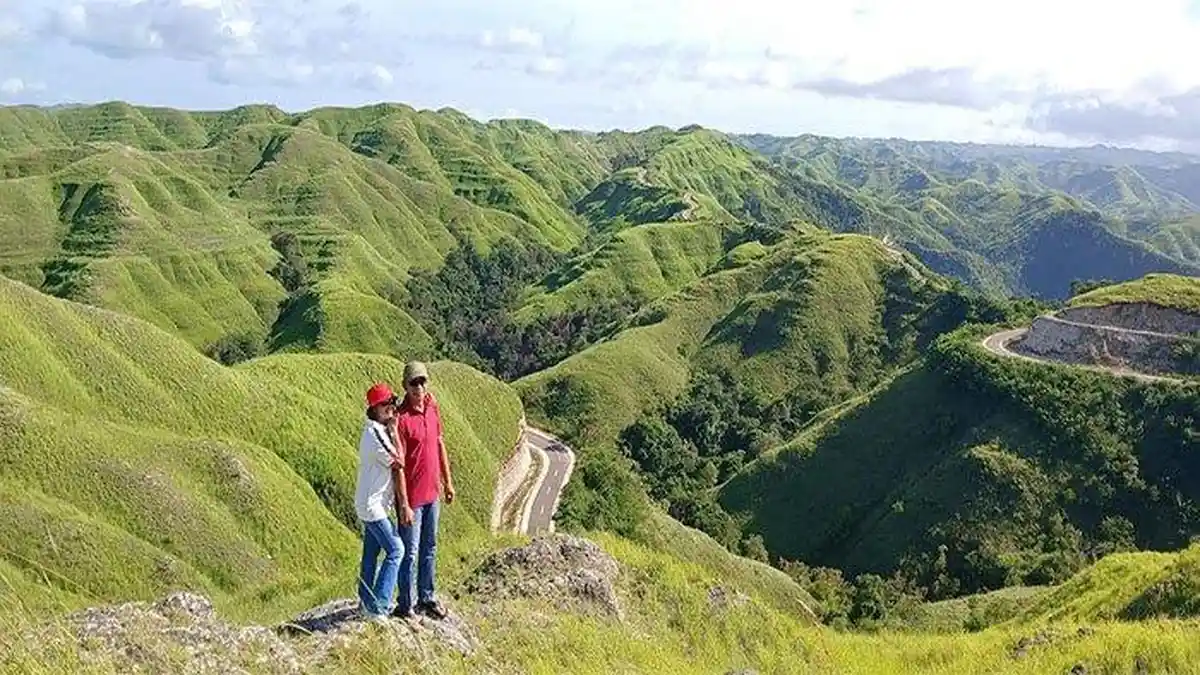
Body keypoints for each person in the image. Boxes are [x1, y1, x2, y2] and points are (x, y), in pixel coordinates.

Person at [390, 360, 456, 620]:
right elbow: (399, 466)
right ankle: (405, 605)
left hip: (432, 494)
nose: (419, 387)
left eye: (422, 381)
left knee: (430, 547)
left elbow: (439, 443)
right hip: (413, 500)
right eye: (413, 383)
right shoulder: (402, 419)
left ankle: (426, 598)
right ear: (405, 386)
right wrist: (403, 504)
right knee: (410, 553)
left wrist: (448, 481)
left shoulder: (432, 406)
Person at [354, 382, 405, 621]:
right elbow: (399, 460)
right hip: (373, 506)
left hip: (369, 502)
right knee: (396, 550)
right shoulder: (376, 432)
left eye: (391, 403)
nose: (390, 408)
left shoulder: (373, 430)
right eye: (385, 404)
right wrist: (395, 431)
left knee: (371, 553)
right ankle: (378, 606)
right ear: (374, 408)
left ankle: (365, 601)